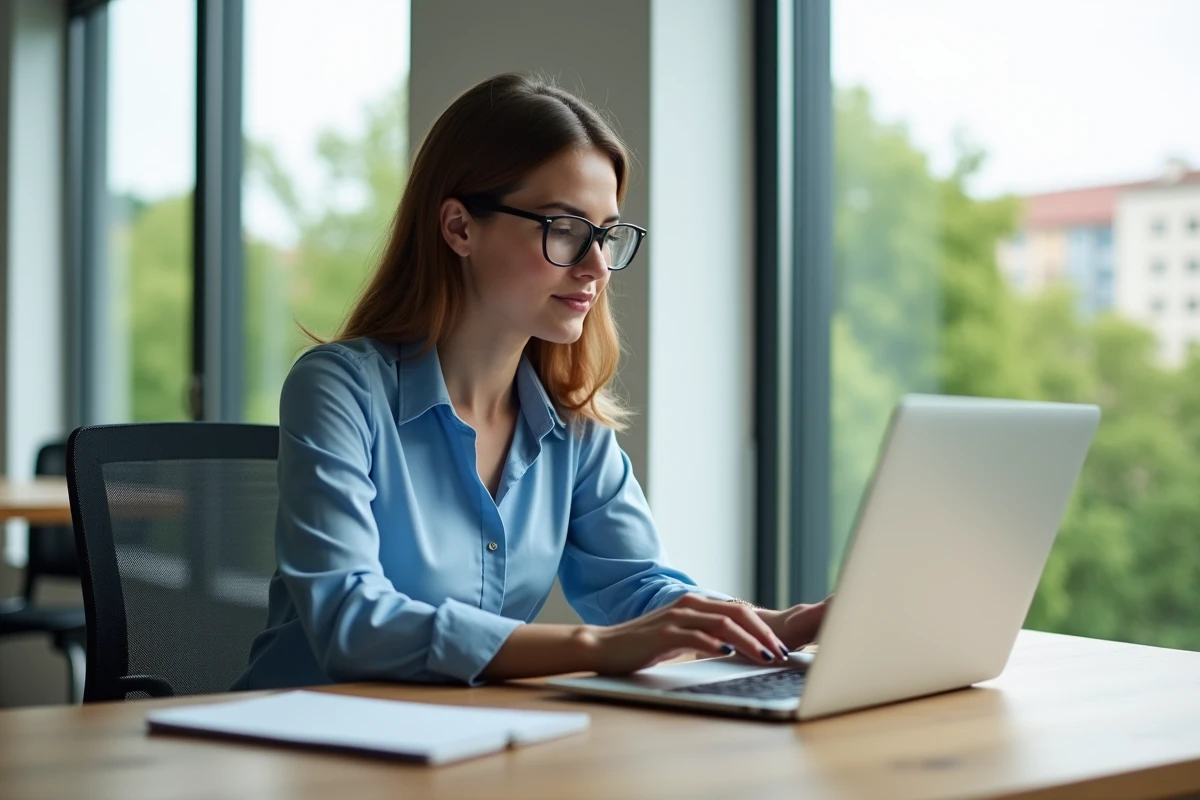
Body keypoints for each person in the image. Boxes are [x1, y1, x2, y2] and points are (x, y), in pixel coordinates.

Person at [234, 72, 828, 691]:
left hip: (453, 749)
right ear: (459, 227)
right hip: (292, 751)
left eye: (604, 234)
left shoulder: (571, 426)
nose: (597, 267)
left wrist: (781, 624)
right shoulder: (339, 390)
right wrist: (597, 646)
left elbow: (640, 589)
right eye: (565, 229)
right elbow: (351, 621)